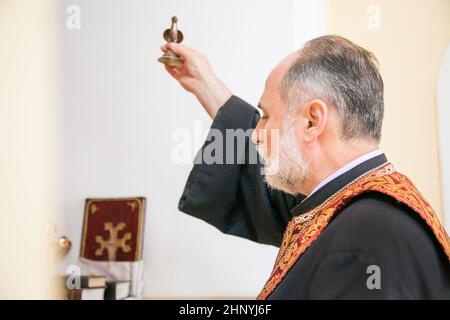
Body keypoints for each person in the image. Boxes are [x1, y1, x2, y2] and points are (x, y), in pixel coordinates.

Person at [160, 35, 450, 299]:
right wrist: (204, 83)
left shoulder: (365, 234)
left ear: (312, 121)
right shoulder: (349, 206)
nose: (256, 135)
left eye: (266, 115)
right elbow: (267, 194)